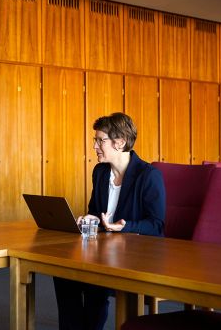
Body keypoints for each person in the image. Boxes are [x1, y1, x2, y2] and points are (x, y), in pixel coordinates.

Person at [53, 112, 165, 330]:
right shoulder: (100, 172)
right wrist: (90, 218)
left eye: (100, 140)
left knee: (95, 278)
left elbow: (157, 225)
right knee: (63, 272)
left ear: (120, 142)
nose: (95, 146)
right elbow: (95, 211)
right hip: (104, 248)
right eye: (95, 140)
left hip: (135, 253)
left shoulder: (149, 176)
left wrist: (126, 226)